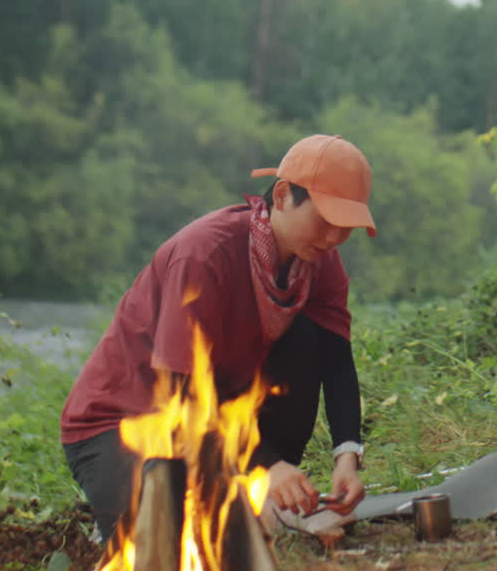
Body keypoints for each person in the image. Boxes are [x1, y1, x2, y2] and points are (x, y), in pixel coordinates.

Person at [60, 134, 376, 545]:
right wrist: (265, 464)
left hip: (216, 415)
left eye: (346, 228)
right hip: (124, 421)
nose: (335, 238)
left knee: (306, 337)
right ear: (282, 196)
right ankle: (233, 493)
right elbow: (181, 394)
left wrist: (346, 459)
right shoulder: (205, 256)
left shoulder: (318, 259)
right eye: (326, 221)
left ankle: (253, 494)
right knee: (159, 546)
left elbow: (335, 363)